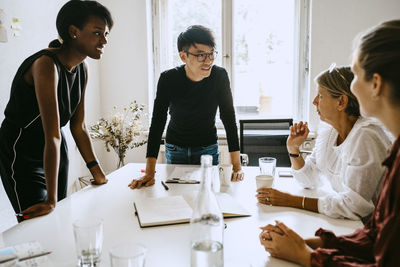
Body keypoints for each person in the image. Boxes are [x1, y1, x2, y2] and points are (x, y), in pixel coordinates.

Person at [259, 19, 400, 266]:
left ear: (375, 84)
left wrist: (306, 256)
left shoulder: (368, 136)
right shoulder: (394, 150)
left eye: (355, 75)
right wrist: (313, 243)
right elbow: (375, 237)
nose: (315, 102)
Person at [0, 0, 113, 221]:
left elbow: (78, 127)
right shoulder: (45, 64)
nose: (104, 40)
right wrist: (50, 200)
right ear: (73, 32)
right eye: (97, 32)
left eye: (106, 34)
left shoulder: (83, 67)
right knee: (35, 220)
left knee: (59, 217)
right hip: (21, 149)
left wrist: (98, 173)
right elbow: (50, 132)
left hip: (54, 147)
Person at [256, 66, 391, 220]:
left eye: (320, 96)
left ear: (341, 102)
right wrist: (293, 148)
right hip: (349, 224)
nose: (314, 102)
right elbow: (309, 180)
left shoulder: (366, 137)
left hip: (377, 229)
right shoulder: (331, 131)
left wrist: (291, 201)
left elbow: (355, 207)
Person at [129, 25, 243, 189]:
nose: (208, 60)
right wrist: (149, 173)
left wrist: (237, 167)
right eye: (201, 55)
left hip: (207, 148)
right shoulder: (168, 79)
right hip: (176, 148)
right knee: (177, 196)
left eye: (211, 54)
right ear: (183, 56)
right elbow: (158, 122)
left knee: (208, 195)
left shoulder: (219, 76)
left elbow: (229, 118)